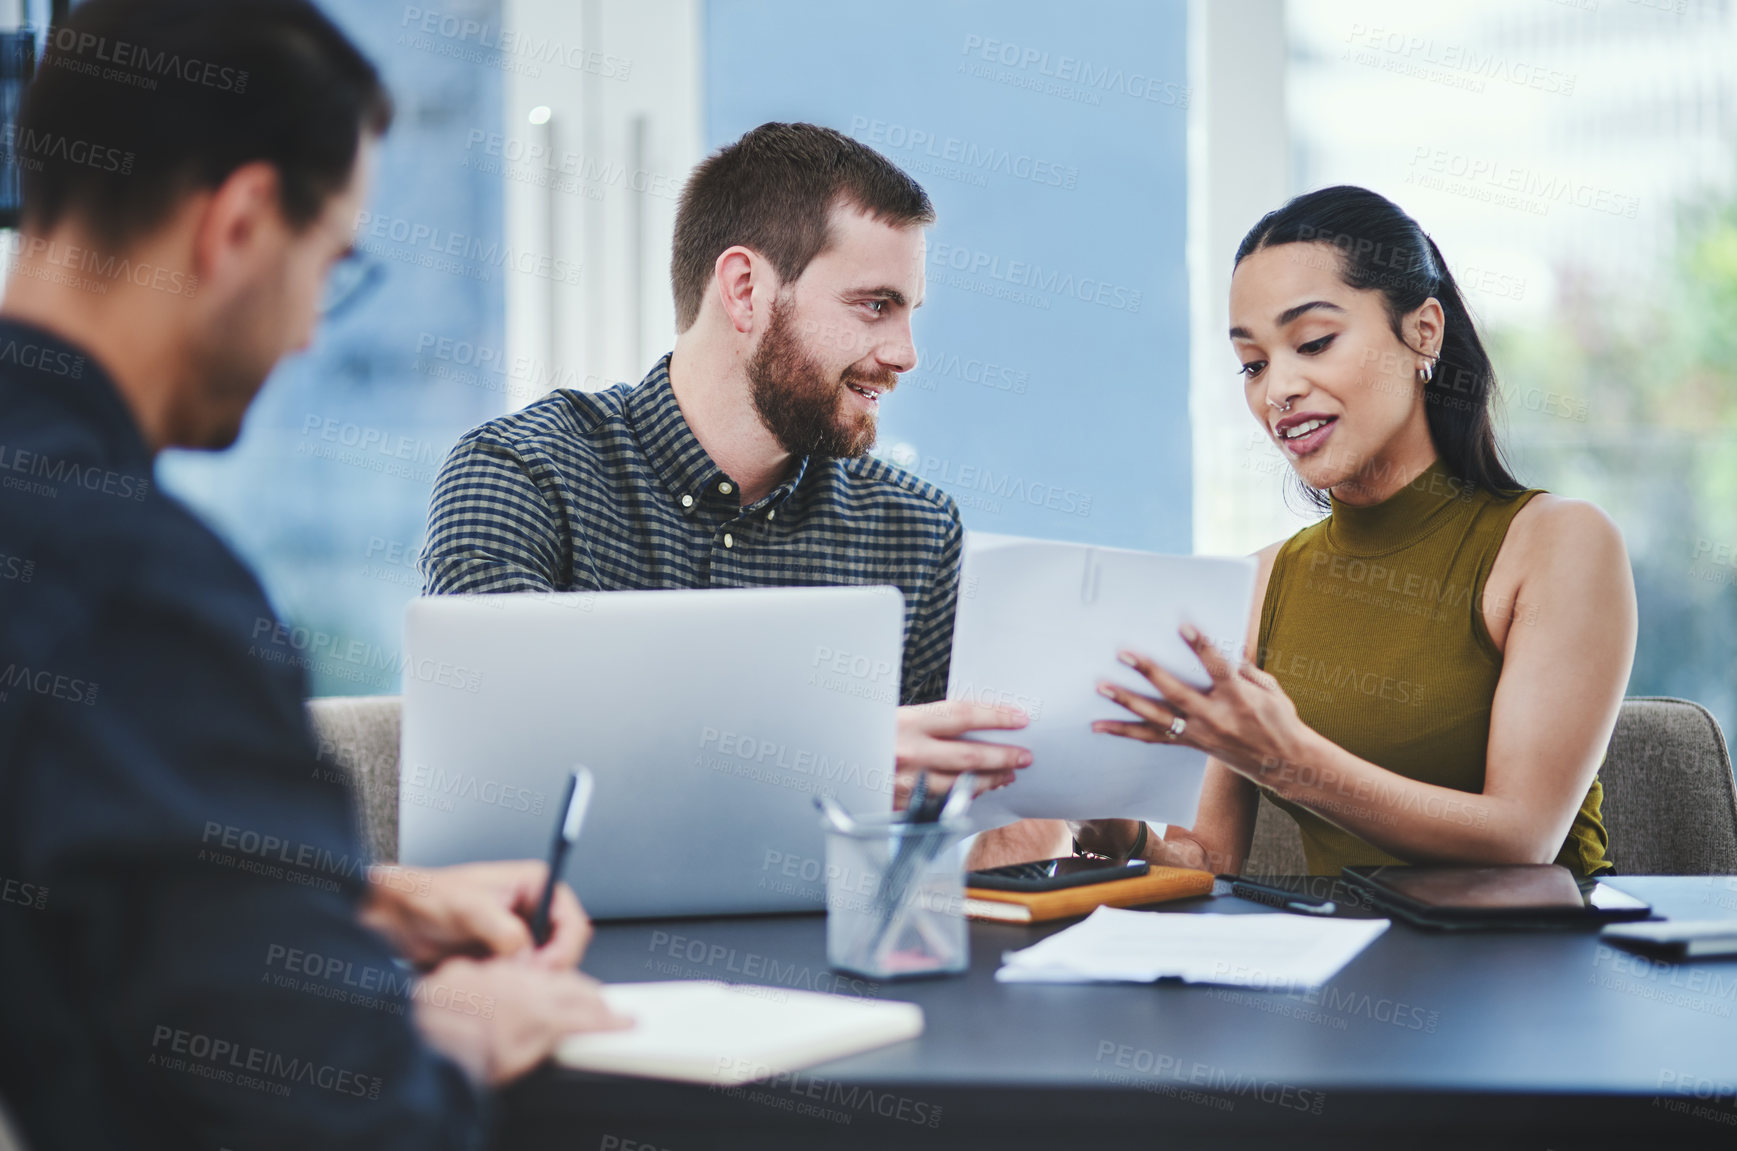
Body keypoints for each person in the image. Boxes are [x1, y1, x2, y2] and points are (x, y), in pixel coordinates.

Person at [0, 4, 623, 1149]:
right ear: (238, 224)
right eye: (329, 265)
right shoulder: (134, 589)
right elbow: (336, 1118)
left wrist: (339, 903)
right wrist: (464, 1028)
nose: (303, 339)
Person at [1026, 186, 1636, 876]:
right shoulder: (1256, 583)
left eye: (1313, 342)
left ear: (1422, 332)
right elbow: (1208, 860)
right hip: (1341, 966)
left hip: (1536, 965)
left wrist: (1288, 761)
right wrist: (1124, 833)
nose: (1276, 389)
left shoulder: (1557, 543)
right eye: (1252, 364)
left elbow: (1521, 839)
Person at [420, 121, 1031, 794]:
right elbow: (492, 733)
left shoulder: (914, 528)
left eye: (908, 311)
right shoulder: (520, 474)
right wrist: (837, 751)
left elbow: (964, 808)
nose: (904, 355)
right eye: (874, 305)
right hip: (567, 900)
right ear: (744, 290)